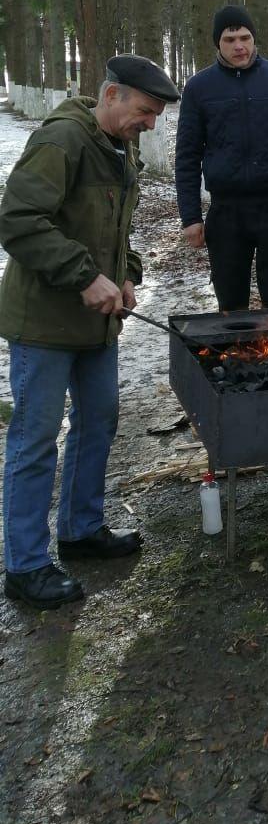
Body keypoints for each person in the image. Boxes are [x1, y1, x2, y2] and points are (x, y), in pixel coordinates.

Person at [1, 55, 180, 610]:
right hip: (44, 324)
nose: (149, 123)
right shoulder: (62, 140)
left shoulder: (119, 147)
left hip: (96, 325)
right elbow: (17, 220)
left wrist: (126, 275)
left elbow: (116, 231)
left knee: (98, 419)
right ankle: (25, 565)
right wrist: (84, 276)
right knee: (35, 440)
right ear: (111, 95)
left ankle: (80, 530)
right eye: (145, 111)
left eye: (156, 116)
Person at [175, 5, 268, 313]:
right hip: (226, 210)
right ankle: (234, 347)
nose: (239, 46)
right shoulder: (199, 88)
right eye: (230, 40)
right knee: (230, 303)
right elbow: (187, 155)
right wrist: (190, 216)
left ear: (254, 39)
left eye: (245, 37)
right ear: (218, 43)